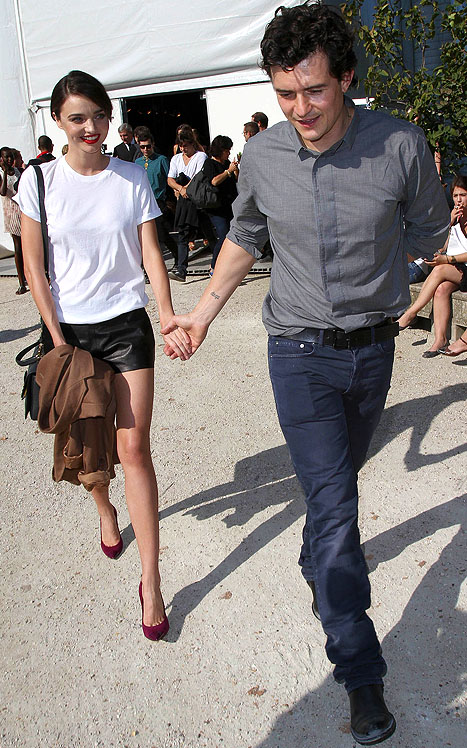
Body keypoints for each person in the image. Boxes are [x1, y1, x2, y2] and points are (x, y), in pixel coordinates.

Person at [161, 4, 450, 744]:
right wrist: (200, 312)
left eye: (313, 91)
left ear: (345, 78)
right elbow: (247, 235)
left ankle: (317, 553)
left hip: (372, 349)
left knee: (336, 491)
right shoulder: (260, 159)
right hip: (297, 352)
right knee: (336, 506)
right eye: (284, 94)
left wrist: (418, 274)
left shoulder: (401, 147)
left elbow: (424, 230)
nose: (299, 110)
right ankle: (359, 671)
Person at [15, 69, 190, 641]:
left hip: (127, 327)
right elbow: (34, 270)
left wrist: (165, 314)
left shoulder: (132, 176)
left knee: (133, 446)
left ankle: (152, 578)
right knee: (90, 449)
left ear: (109, 116)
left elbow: (151, 252)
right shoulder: (38, 182)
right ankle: (105, 509)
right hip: (71, 336)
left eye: (98, 115)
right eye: (77, 118)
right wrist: (57, 340)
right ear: (58, 123)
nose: (90, 127)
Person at [398, 175, 467, 356]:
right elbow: (441, 247)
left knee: (439, 269)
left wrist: (447, 260)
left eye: (463, 195)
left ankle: (411, 313)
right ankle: (440, 339)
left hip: (459, 265)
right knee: (441, 290)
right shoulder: (453, 218)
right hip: (456, 269)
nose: (459, 200)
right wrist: (449, 224)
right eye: (455, 196)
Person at [167, 126, 208, 282]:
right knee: (183, 234)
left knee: (207, 233)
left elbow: (197, 177)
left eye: (186, 145)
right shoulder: (176, 159)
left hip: (196, 199)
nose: (183, 148)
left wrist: (185, 189)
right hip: (184, 201)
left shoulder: (201, 156)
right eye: (181, 145)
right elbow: (170, 179)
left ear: (192, 143)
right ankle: (181, 269)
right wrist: (179, 189)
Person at [134, 132, 178, 266]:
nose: (145, 150)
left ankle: (178, 256)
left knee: (162, 234)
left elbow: (170, 178)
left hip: (159, 201)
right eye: (142, 147)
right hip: (142, 202)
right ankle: (145, 267)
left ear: (153, 145)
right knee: (143, 236)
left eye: (148, 146)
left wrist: (172, 197)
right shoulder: (138, 162)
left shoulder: (161, 160)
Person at [202, 135, 238, 274]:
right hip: (217, 208)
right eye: (226, 150)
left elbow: (234, 180)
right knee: (223, 236)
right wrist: (228, 171)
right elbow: (214, 181)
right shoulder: (210, 164)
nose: (228, 153)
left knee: (231, 238)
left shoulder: (226, 162)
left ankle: (227, 268)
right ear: (220, 150)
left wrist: (234, 170)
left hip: (229, 206)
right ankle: (214, 266)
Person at [0, 146, 27, 294]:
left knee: (27, 245)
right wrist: (5, 172)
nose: (9, 159)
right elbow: (3, 192)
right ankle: (21, 281)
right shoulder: (1, 173)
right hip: (11, 212)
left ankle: (29, 275)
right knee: (17, 247)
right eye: (6, 157)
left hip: (22, 210)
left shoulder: (19, 171)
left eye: (10, 156)